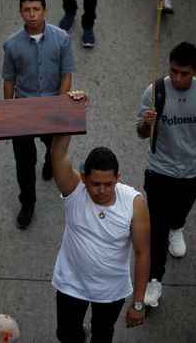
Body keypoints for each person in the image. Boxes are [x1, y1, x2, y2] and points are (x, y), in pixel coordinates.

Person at [52, 91, 150, 343]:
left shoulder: (134, 203)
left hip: (111, 291)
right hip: (71, 283)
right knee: (66, 335)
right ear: (84, 178)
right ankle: (79, 332)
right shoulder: (75, 190)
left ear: (118, 178)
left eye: (108, 183)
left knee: (103, 335)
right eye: (95, 184)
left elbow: (142, 253)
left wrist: (138, 303)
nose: (102, 190)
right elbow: (58, 155)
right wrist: (72, 111)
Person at [137, 42, 196, 308]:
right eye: (173, 71)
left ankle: (178, 227)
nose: (177, 78)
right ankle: (154, 280)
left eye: (184, 73)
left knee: (180, 212)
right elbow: (140, 132)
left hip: (193, 170)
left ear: (195, 71)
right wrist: (147, 123)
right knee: (158, 225)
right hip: (159, 170)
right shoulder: (155, 92)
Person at [2, 0, 75, 229]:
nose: (32, 14)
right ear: (20, 12)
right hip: (24, 108)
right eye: (27, 10)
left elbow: (66, 74)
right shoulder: (12, 44)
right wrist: (9, 110)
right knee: (24, 162)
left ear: (45, 10)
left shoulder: (62, 38)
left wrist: (60, 105)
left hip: (51, 107)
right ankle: (28, 203)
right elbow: (9, 78)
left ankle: (49, 159)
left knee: (52, 149)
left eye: (36, 9)